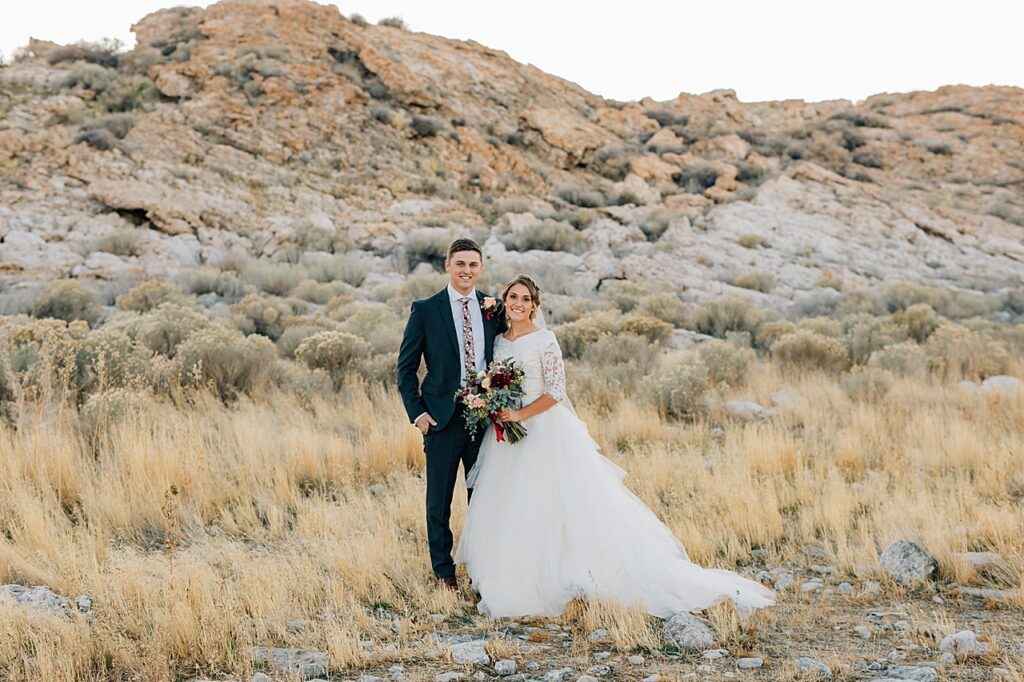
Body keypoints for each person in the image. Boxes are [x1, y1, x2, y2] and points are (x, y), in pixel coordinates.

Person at [455, 274, 775, 618]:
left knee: (551, 504)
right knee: (510, 503)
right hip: (505, 435)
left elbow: (556, 391)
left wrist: (520, 413)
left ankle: (560, 576)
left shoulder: (545, 339)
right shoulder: (500, 340)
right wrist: (495, 406)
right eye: (513, 297)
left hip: (543, 431)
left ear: (535, 305)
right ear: (505, 300)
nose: (518, 304)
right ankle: (507, 574)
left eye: (526, 299)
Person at [396, 238, 504, 590]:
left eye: (473, 265)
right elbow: (406, 368)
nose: (466, 271)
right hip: (441, 419)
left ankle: (481, 568)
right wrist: (419, 414)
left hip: (483, 419)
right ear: (447, 265)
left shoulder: (493, 309)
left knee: (483, 497)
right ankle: (444, 572)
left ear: (481, 267)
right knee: (438, 500)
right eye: (460, 264)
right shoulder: (426, 309)